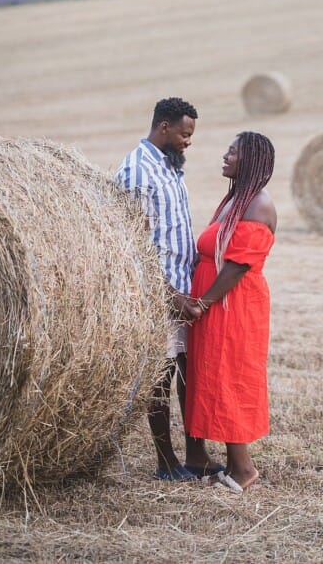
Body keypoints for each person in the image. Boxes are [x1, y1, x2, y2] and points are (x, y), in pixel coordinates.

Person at [115, 97, 223, 482]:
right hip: (157, 295)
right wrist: (168, 294)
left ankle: (196, 456)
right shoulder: (137, 171)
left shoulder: (170, 167)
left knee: (190, 375)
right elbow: (134, 245)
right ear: (164, 127)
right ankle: (166, 462)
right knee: (160, 379)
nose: (188, 141)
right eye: (184, 133)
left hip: (184, 288)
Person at [186, 131, 277, 493]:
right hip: (218, 302)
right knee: (214, 376)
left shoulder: (259, 204)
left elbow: (238, 265)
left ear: (251, 160)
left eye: (233, 152)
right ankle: (226, 460)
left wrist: (201, 302)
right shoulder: (236, 199)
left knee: (230, 378)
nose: (225, 156)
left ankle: (244, 469)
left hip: (233, 305)